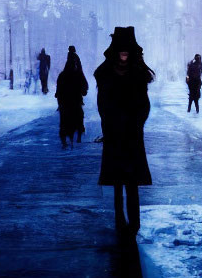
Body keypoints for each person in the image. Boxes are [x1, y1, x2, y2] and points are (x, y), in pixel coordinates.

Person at [96, 26, 154, 236]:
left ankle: (134, 223)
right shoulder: (105, 73)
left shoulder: (138, 73)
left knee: (131, 180)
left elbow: (144, 104)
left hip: (131, 133)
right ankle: (120, 219)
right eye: (120, 49)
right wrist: (110, 125)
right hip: (114, 132)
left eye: (126, 49)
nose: (124, 53)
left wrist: (136, 123)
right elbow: (102, 104)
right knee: (117, 180)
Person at [56, 50, 88, 148]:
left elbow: (58, 92)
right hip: (75, 102)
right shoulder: (78, 74)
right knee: (78, 119)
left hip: (65, 104)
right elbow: (84, 89)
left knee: (64, 122)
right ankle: (77, 137)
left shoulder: (62, 75)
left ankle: (65, 142)